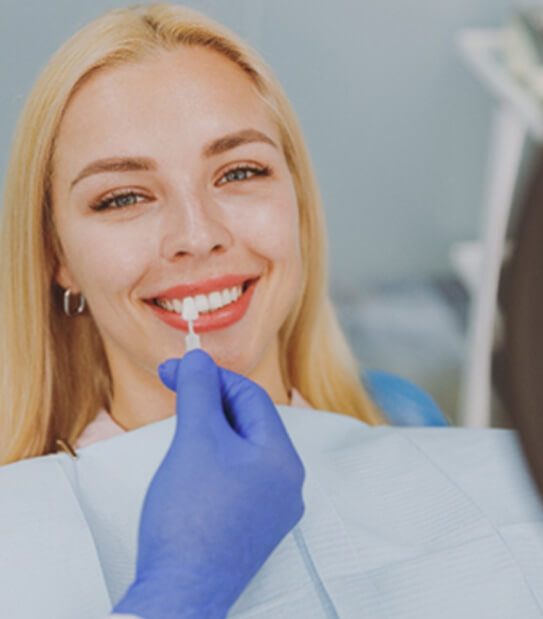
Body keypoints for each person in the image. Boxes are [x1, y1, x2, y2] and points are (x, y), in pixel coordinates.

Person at [0, 2, 387, 617]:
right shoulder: (18, 533)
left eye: (239, 172)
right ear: (58, 255)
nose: (197, 234)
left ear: (298, 206)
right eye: (123, 197)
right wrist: (180, 590)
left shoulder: (403, 416)